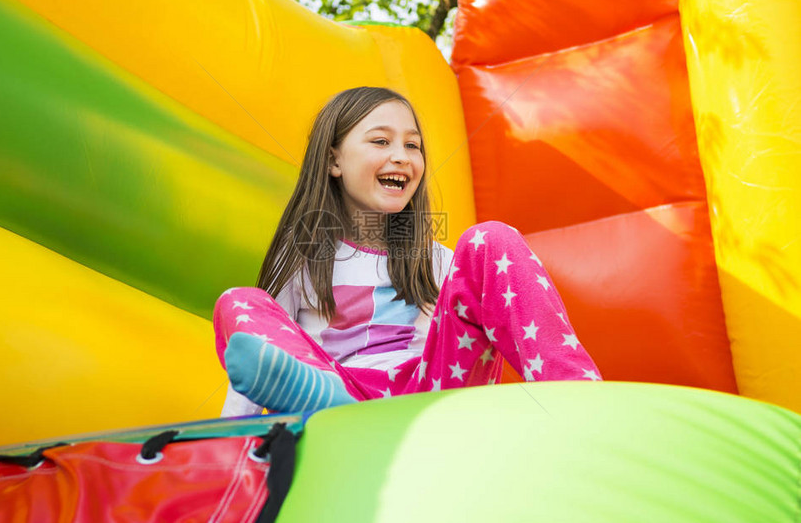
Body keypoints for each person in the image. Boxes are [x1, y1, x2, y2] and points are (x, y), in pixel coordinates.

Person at [214, 86, 602, 417]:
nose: (401, 155)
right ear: (334, 160)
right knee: (239, 301)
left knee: (490, 239)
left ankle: (580, 399)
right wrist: (234, 443)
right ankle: (327, 402)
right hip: (340, 396)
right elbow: (260, 348)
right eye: (381, 141)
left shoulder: (441, 261)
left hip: (430, 395)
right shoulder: (304, 255)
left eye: (412, 145)